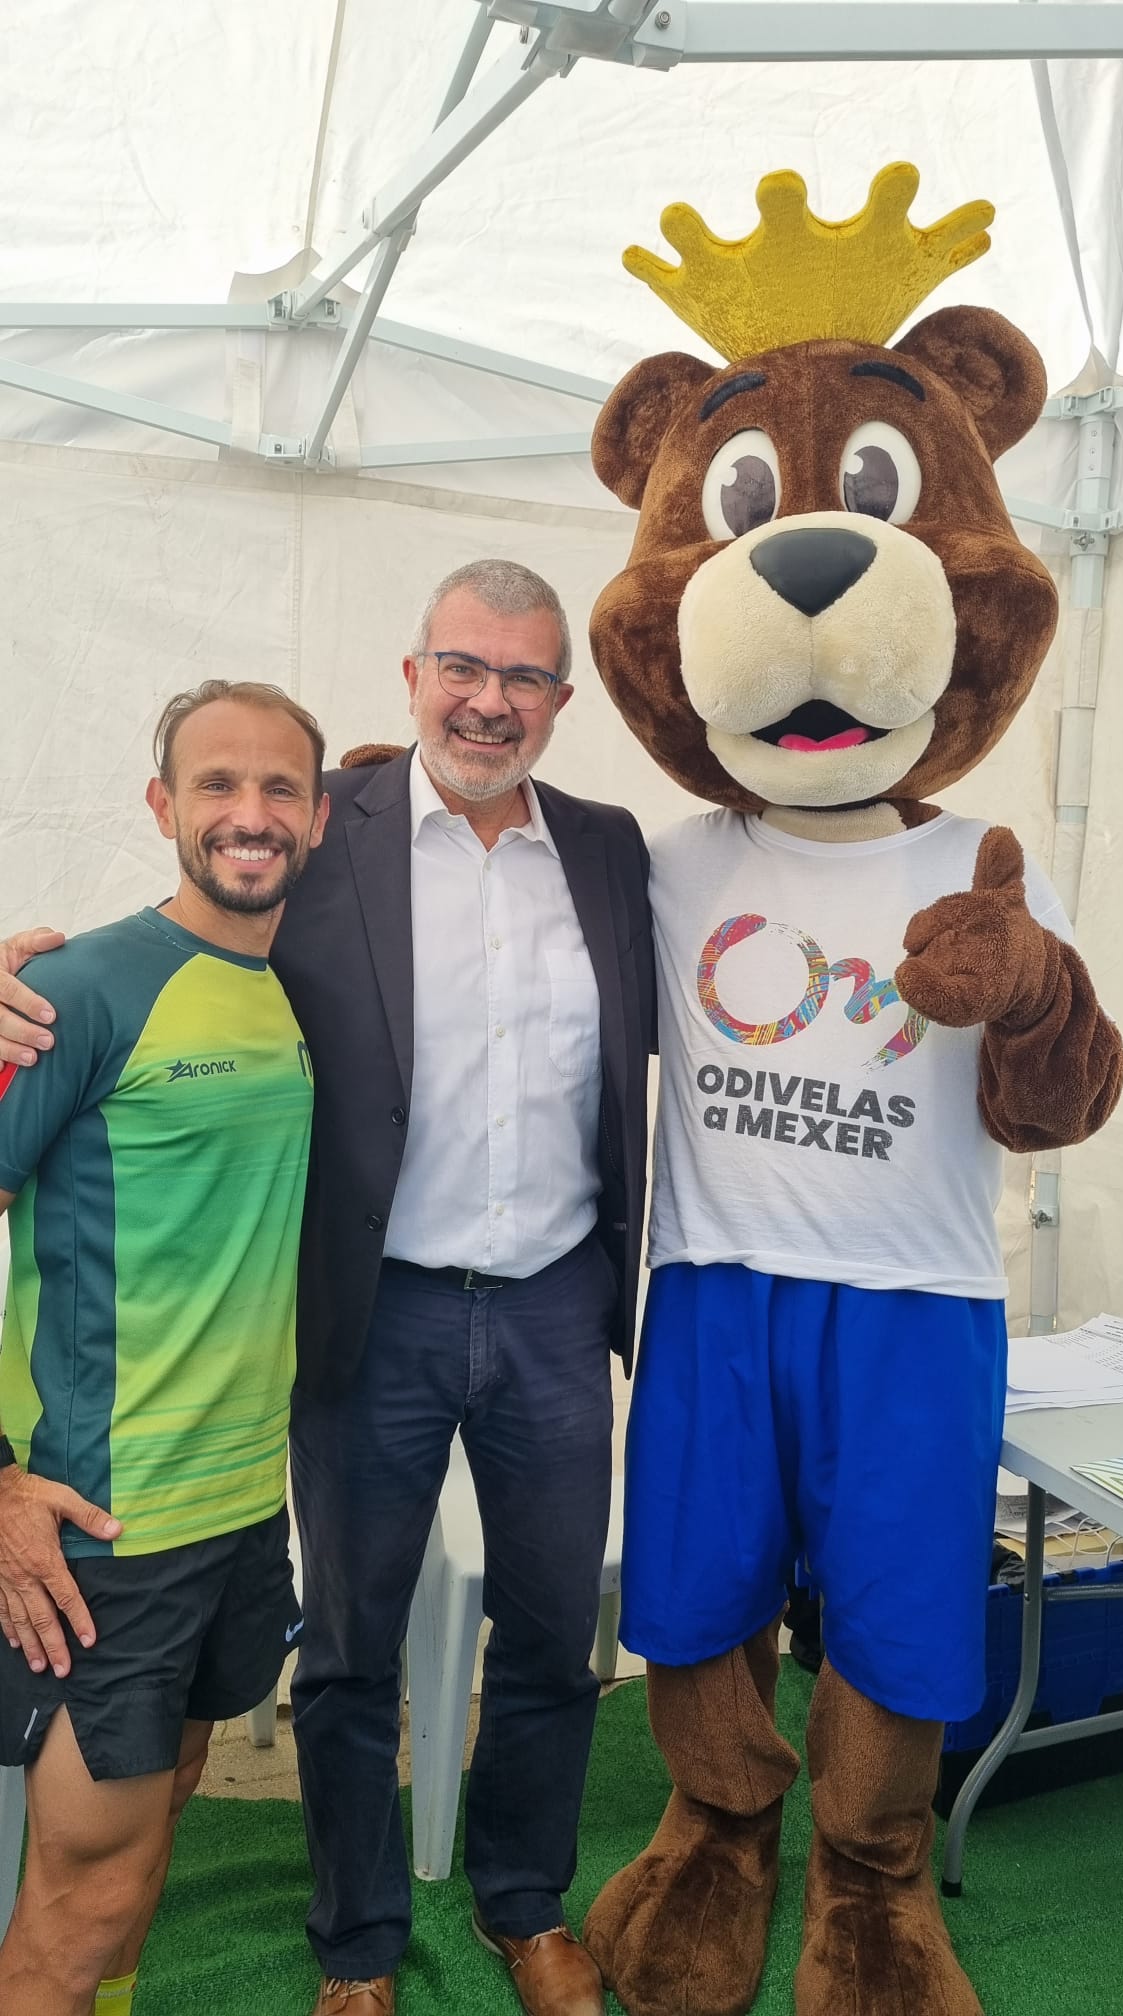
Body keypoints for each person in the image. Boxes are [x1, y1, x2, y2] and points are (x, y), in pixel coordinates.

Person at [0, 559, 655, 2016]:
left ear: (560, 699)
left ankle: (524, 1903)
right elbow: (178, 935)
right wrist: (17, 983)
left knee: (552, 1629)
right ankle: (355, 1941)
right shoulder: (319, 825)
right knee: (351, 1645)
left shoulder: (613, 853)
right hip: (372, 1312)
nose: (490, 702)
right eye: (462, 670)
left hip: (555, 1302)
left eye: (525, 678)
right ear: (413, 676)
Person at [0, 679, 329, 2016]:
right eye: (216, 786)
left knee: (157, 1833)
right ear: (162, 806)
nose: (249, 815)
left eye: (280, 789)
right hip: (104, 1528)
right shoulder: (73, 990)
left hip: (246, 1512)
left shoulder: (302, 990)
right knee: (78, 1898)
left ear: (316, 817)